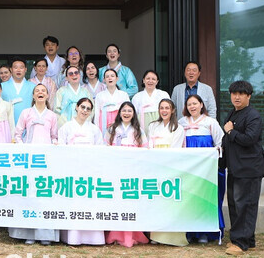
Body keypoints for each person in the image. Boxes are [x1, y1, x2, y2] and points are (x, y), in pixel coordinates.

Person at [10, 84, 59, 245]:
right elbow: (18, 134)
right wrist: (24, 148)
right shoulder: (26, 113)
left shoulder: (52, 115)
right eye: (37, 91)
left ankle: (45, 234)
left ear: (47, 95)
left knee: (44, 195)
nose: (40, 93)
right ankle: (28, 233)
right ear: (33, 95)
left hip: (46, 160)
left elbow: (54, 136)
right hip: (29, 159)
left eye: (43, 91)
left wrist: (54, 144)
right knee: (29, 195)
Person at [222, 81, 264, 256]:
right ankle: (246, 240)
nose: (237, 97)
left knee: (245, 205)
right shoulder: (232, 113)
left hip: (249, 168)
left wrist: (231, 132)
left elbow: (250, 139)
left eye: (241, 94)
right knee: (235, 204)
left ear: (249, 96)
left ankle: (240, 243)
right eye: (234, 94)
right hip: (235, 167)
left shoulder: (253, 115)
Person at [58, 97, 105, 245]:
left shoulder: (94, 129)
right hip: (72, 171)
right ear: (76, 108)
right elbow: (61, 149)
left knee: (90, 202)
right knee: (73, 203)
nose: (85, 111)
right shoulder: (66, 127)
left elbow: (100, 150)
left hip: (89, 171)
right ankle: (72, 236)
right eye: (82, 107)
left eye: (88, 109)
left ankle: (93, 237)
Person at [179, 94, 225, 245]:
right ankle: (190, 231)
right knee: (189, 198)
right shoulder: (181, 123)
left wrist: (215, 153)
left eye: (195, 103)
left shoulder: (210, 122)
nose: (192, 107)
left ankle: (205, 232)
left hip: (206, 169)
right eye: (189, 104)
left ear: (201, 105)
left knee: (205, 197)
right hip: (189, 168)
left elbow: (220, 143)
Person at [104, 102, 149, 248]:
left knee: (130, 200)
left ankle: (131, 234)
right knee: (117, 201)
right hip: (116, 168)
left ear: (134, 113)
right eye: (124, 110)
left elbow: (145, 149)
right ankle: (116, 233)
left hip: (133, 169)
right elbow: (105, 148)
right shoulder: (112, 129)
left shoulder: (138, 131)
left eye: (130, 111)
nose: (126, 113)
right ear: (119, 113)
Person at [147, 99, 187, 247]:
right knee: (156, 200)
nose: (164, 111)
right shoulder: (153, 126)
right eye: (162, 108)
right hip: (154, 166)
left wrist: (164, 162)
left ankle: (172, 237)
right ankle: (156, 235)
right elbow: (150, 145)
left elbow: (175, 149)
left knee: (171, 201)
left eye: (167, 108)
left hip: (171, 167)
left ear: (172, 110)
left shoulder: (178, 128)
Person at [94, 69, 129, 137]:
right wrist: (97, 129)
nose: (110, 78)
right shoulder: (99, 95)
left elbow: (127, 112)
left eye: (112, 76)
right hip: (104, 121)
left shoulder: (124, 95)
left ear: (117, 78)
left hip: (119, 120)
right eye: (107, 76)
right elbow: (97, 113)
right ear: (104, 80)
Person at [1, 57, 36, 126]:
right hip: (6, 125)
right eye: (15, 67)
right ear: (11, 69)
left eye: (21, 67)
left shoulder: (33, 87)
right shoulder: (1, 86)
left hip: (28, 125)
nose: (18, 70)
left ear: (25, 69)